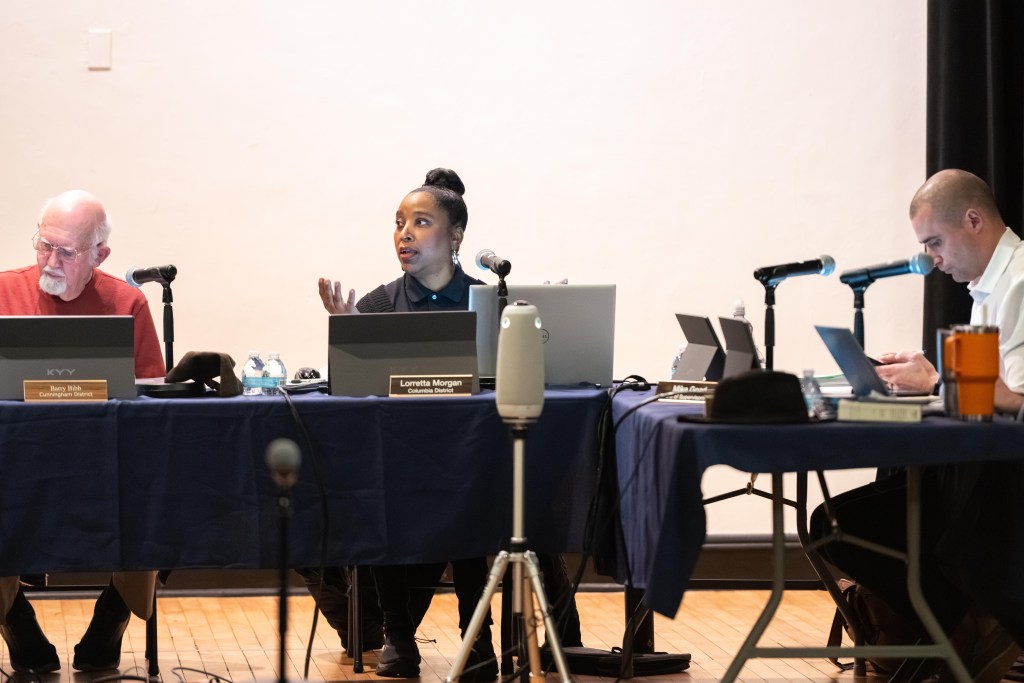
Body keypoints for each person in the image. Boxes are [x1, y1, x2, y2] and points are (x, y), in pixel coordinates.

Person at [317, 168, 582, 679]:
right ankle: (399, 639)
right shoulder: (376, 305)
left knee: (472, 489)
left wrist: (546, 328)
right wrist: (349, 337)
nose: (404, 234)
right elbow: (353, 396)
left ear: (456, 235)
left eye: (420, 222)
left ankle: (475, 634)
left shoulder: (491, 303)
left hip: (469, 460)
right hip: (399, 466)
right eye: (398, 223)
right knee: (380, 493)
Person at [810, 169, 1024, 682]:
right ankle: (945, 626)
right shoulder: (990, 286)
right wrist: (929, 370)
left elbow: (1014, 401)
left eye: (934, 242)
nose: (931, 259)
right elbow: (986, 387)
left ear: (973, 220)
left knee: (849, 525)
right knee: (840, 523)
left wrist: (934, 381)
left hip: (1005, 480)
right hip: (983, 466)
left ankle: (967, 623)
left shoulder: (1019, 284)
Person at [0, 190, 165, 674]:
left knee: (162, 496)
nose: (50, 260)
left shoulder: (126, 301)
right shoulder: (3, 291)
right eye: (43, 245)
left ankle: (114, 610)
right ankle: (13, 616)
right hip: (14, 464)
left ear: (100, 255)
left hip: (103, 466)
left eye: (66, 252)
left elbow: (150, 401)